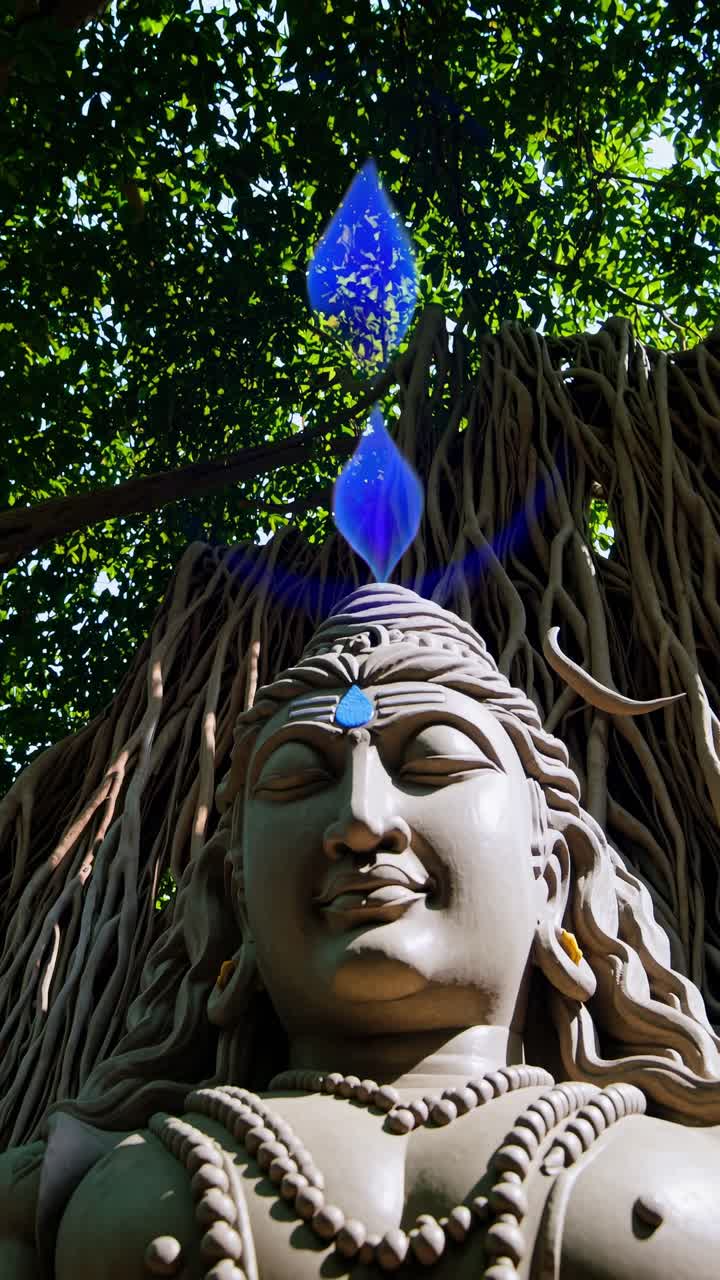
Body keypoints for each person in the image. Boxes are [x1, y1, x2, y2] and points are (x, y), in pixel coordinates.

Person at [1, 584, 719, 1280]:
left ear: (553, 875)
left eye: (435, 762)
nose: (362, 821)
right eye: (294, 779)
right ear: (238, 903)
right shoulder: (52, 1193)